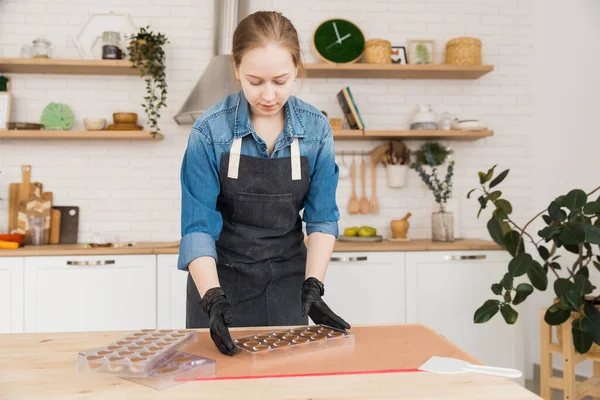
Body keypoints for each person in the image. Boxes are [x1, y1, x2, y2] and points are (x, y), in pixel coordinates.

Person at [178, 10, 349, 356]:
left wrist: (313, 285)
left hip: (288, 283)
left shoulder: (316, 130)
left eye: (281, 80)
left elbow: (322, 218)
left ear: (297, 70)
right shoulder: (209, 132)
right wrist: (211, 299)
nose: (268, 95)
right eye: (255, 82)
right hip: (218, 279)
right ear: (237, 69)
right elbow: (197, 226)